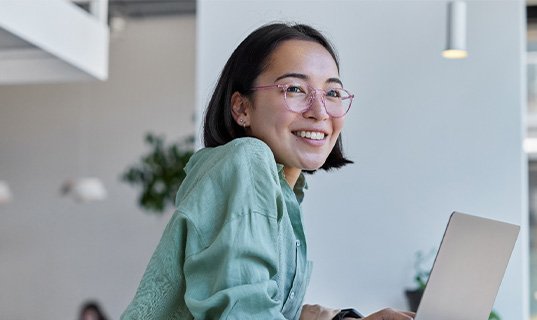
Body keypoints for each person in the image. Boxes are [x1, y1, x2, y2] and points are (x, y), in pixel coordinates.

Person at [121, 22, 415, 320]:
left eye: (333, 93)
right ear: (242, 108)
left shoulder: (280, 190)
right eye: (295, 89)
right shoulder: (247, 160)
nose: (320, 111)